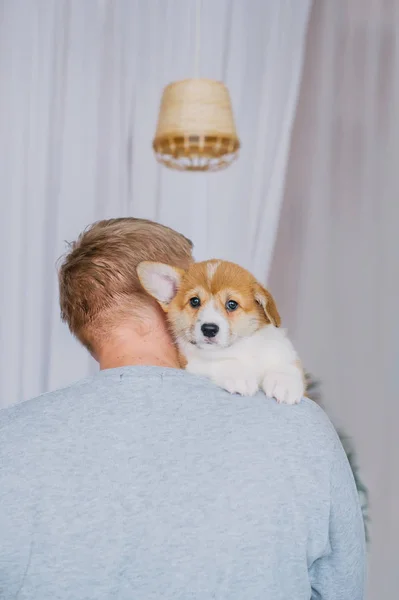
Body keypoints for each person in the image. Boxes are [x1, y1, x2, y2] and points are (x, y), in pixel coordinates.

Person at [0, 218, 366, 599]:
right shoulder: (299, 426)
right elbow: (342, 589)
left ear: (85, 330)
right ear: (169, 301)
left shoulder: (8, 438)